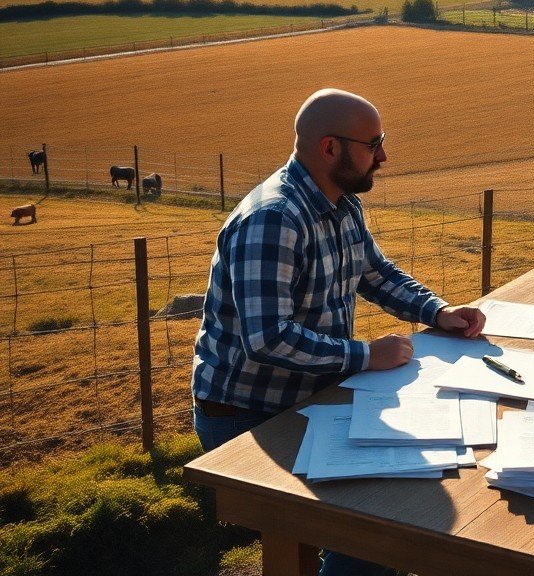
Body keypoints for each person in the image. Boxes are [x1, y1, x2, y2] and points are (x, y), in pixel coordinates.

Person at [193, 88, 486, 576]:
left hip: (311, 401)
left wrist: (437, 311)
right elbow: (269, 338)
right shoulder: (274, 219)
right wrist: (366, 355)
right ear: (330, 148)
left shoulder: (341, 203)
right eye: (374, 144)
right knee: (376, 529)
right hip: (250, 416)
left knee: (389, 516)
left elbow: (375, 274)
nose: (384, 156)